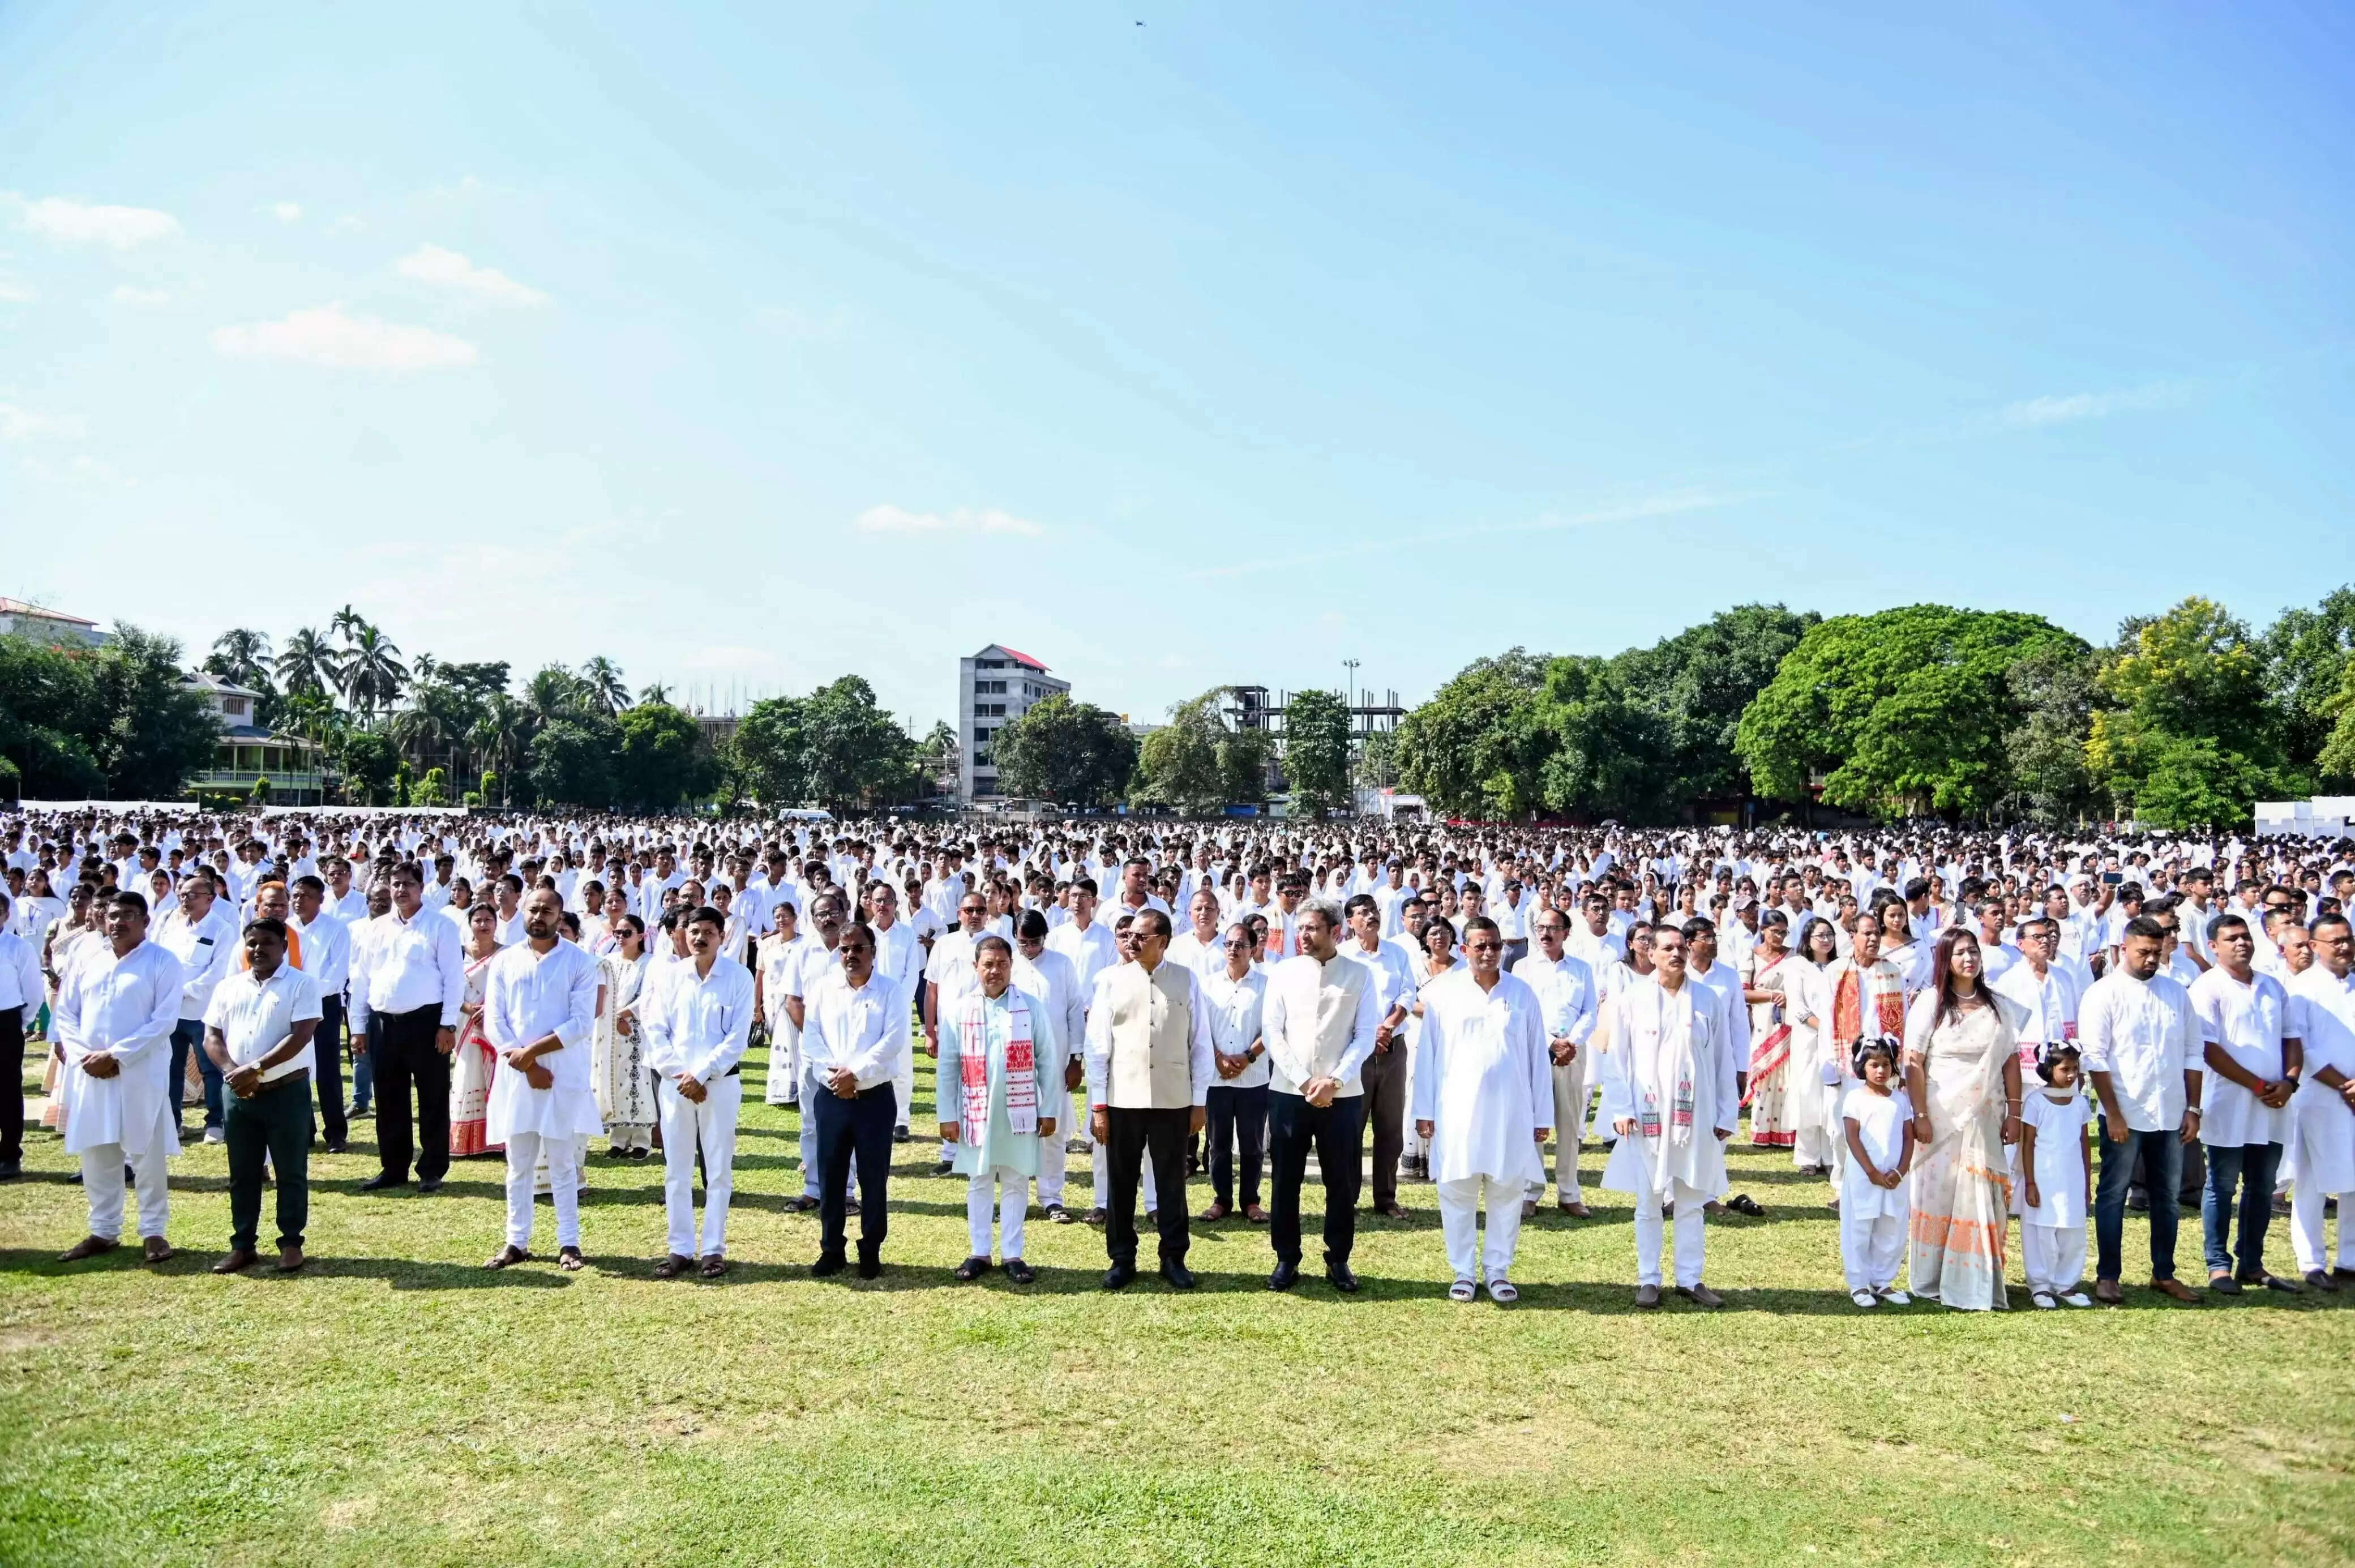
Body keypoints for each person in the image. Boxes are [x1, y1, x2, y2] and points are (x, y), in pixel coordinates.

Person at [1600, 922, 1737, 1308]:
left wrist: (1727, 1114)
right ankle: (1648, 1279)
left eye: (1681, 947)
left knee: (1692, 1201)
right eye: (1667, 948)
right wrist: (1622, 1109)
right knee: (1649, 1201)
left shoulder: (1708, 999)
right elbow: (1617, 1060)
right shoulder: (1630, 999)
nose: (1676, 954)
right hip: (1647, 1115)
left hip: (1698, 1114)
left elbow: (1723, 1060)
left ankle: (1691, 1279)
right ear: (1651, 953)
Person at [1415, 916, 1551, 1303]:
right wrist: (1424, 1110)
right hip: (1456, 1110)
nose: (1489, 953)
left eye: (1495, 945)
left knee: (1507, 1191)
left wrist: (1542, 1115)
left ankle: (1498, 1270)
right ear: (1465, 950)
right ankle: (1462, 1271)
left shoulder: (1522, 994)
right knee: (1457, 1190)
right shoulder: (1443, 994)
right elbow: (1429, 1057)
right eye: (1480, 946)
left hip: (1512, 1111)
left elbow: (1537, 1060)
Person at [1085, 908, 1213, 1289]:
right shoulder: (1110, 981)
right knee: (1121, 1184)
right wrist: (1098, 1106)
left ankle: (1173, 1257)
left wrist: (1200, 1100)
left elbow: (1201, 1045)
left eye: (1141, 936)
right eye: (1128, 936)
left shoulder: (1187, 981)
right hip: (1123, 1099)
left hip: (1173, 1101)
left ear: (1164, 941)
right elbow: (1097, 1049)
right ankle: (1122, 1259)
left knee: (1172, 1183)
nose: (1132, 942)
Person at [2080, 914, 2204, 1304]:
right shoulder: (2104, 993)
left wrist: (2194, 1108)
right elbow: (2095, 1059)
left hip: (2170, 1112)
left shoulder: (2175, 992)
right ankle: (2108, 1275)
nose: (2151, 959)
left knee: (2166, 1197)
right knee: (2113, 1194)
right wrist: (2113, 1113)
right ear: (2124, 949)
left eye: (2156, 951)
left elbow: (2192, 1052)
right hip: (2125, 1114)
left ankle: (2164, 1273)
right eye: (2143, 952)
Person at [55, 892, 184, 1264]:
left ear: (145, 921)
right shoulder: (86, 958)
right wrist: (86, 1057)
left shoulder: (163, 961)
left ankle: (154, 1231)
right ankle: (104, 1230)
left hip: (141, 1071)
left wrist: (116, 1055)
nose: (118, 922)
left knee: (146, 1152)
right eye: (113, 915)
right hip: (90, 1073)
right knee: (97, 1152)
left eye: (128, 915)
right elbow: (66, 1014)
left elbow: (164, 1022)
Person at [1902, 929, 2026, 1311]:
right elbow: (1913, 1061)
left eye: (1974, 951)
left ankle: (1977, 1277)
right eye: (1960, 953)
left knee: (1979, 1191)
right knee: (1942, 1190)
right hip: (1942, 1112)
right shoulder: (1931, 1002)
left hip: (1986, 1113)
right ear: (1945, 959)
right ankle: (1934, 1277)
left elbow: (2010, 1060)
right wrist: (1920, 1113)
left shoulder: (1998, 1006)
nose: (1969, 959)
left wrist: (2016, 1113)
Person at [1261, 899, 1381, 1292]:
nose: (1304, 936)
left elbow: (1365, 1036)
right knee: (1285, 1181)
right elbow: (1273, 1033)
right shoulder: (1283, 972)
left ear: (1336, 932)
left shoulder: (1359, 975)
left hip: (1343, 1096)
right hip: (1289, 1094)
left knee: (1342, 1183)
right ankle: (1286, 1258)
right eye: (1301, 928)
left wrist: (1336, 1081)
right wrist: (1303, 1082)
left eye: (1313, 928)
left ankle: (1339, 1259)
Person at [481, 888, 602, 1272]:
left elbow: (582, 1022)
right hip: (518, 1074)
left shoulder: (580, 961)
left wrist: (531, 1054)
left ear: (560, 915)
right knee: (519, 1163)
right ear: (523, 912)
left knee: (563, 1163)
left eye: (547, 911)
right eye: (533, 909)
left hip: (561, 1074)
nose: (539, 916)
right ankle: (517, 1241)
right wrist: (527, 1062)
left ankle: (569, 1242)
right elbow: (494, 1020)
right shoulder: (505, 961)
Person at [2189, 912, 2304, 1293]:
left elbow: (2291, 1038)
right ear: (2214, 946)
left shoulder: (2272, 986)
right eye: (2232, 938)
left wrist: (2289, 1081)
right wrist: (2257, 1085)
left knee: (2262, 1185)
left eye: (2246, 937)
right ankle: (2218, 1265)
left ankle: (2252, 1263)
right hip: (2229, 1101)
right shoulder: (2206, 988)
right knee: (2221, 1185)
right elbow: (2207, 1049)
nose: (2242, 943)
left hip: (2273, 1104)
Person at [202, 917, 320, 1274]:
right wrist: (233, 1074)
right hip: (238, 1093)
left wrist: (254, 1069)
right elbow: (212, 1037)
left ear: (284, 947)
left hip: (285, 1091)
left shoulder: (302, 984)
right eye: (252, 943)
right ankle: (243, 1245)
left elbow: (301, 1035)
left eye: (267, 942)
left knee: (290, 1170)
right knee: (243, 1171)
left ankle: (290, 1243)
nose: (258, 949)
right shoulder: (228, 987)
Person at [939, 935, 1060, 1284]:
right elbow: (949, 1065)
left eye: (1002, 964)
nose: (995, 971)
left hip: (1018, 1111)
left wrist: (1048, 1108)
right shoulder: (960, 1009)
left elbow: (1048, 1062)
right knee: (979, 1181)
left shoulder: (1031, 1007)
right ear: (976, 966)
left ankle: (1013, 1253)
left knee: (1015, 1179)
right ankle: (980, 1251)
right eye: (988, 964)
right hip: (975, 1112)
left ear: (1012, 966)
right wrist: (947, 1115)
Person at [643, 905, 755, 1279]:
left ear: (722, 936)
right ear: (682, 934)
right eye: (693, 931)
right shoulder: (670, 977)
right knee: (676, 1169)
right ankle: (679, 1248)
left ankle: (713, 1249)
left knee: (719, 1169)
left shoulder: (738, 977)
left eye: (708, 931)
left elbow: (737, 1038)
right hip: (677, 1087)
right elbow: (655, 1031)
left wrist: (702, 1075)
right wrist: (681, 1075)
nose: (699, 937)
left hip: (718, 1086)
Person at [801, 920, 909, 1278]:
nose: (851, 955)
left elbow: (892, 1040)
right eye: (845, 949)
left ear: (872, 951)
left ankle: (871, 1249)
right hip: (831, 1096)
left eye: (858, 948)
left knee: (873, 1177)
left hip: (874, 1099)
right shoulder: (823, 989)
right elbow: (812, 1036)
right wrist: (838, 1075)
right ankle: (832, 1248)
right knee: (830, 1176)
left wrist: (856, 1075)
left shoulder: (890, 991)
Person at [350, 863, 466, 1193]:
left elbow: (453, 979)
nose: (402, 890)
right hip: (384, 1022)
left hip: (427, 1023)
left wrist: (447, 1025)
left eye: (409, 884)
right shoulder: (375, 928)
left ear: (422, 886)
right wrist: (358, 1027)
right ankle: (394, 1167)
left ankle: (431, 1169)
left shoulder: (439, 926)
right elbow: (361, 979)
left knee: (431, 1098)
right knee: (388, 1099)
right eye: (396, 884)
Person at [1514, 907, 1599, 1219]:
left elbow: (1590, 1011)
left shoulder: (1581, 969)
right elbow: (1522, 1010)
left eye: (1553, 928)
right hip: (1534, 1051)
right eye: (1541, 928)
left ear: (1566, 932)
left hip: (1572, 1053)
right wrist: (1551, 1042)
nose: (1546, 934)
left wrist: (1571, 1043)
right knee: (1533, 1123)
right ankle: (1530, 1192)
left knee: (1569, 1124)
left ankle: (1569, 1192)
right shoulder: (1523, 967)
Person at [2287, 914, 2355, 1289]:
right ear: (2315, 946)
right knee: (2311, 1182)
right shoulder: (2302, 989)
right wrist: (2345, 1085)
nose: (2345, 947)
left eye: (2349, 939)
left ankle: (2350, 1258)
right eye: (2336, 941)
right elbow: (2302, 1046)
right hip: (2318, 1094)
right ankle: (2312, 1262)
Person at [1345, 893, 1417, 1220]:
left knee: (1389, 1127)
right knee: (1351, 1127)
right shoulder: (1343, 956)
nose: (1371, 916)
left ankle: (1386, 1198)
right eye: (1363, 912)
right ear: (1350, 922)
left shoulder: (1397, 954)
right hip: (1354, 1050)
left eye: (1373, 910)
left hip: (1392, 1048)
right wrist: (1369, 1032)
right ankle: (1347, 1197)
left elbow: (1407, 993)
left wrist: (1388, 1026)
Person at [153, 871, 237, 1143]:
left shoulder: (222, 929)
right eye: (182, 895)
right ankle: (173, 1122)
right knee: (170, 1067)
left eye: (192, 895)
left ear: (210, 899)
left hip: (204, 1011)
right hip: (172, 1011)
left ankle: (216, 1123)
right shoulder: (173, 926)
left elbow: (217, 972)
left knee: (211, 1068)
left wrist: (182, 992)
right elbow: (162, 962)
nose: (185, 900)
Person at [1195, 921, 1270, 1224]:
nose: (1234, 950)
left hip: (1254, 1077)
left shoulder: (1266, 985)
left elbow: (1274, 1028)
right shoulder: (1208, 984)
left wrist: (1248, 1055)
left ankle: (1251, 1201)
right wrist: (1218, 1058)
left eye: (1240, 945)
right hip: (1217, 1077)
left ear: (1253, 950)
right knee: (1218, 1143)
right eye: (1229, 944)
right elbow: (1199, 1028)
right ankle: (1222, 1199)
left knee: (1252, 1144)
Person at [1838, 1037, 1913, 1306]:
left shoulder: (1900, 1101)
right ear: (1862, 1067)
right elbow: (1853, 1137)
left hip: (1895, 1178)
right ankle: (1859, 1284)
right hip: (1864, 1176)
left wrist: (1901, 1170)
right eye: (1874, 1065)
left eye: (1886, 1065)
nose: (1881, 1071)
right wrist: (1871, 1171)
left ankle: (1883, 1280)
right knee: (1859, 1227)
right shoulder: (1855, 1099)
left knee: (1891, 1227)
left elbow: (1908, 1136)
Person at [2018, 1044, 2093, 1308]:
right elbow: (2027, 1145)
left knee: (2072, 1231)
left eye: (2075, 1069)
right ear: (2050, 1070)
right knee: (2042, 1232)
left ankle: (2065, 1284)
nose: (2071, 1075)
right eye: (2065, 1069)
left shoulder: (2080, 1103)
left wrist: (2087, 1184)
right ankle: (2040, 1285)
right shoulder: (2036, 1102)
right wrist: (2030, 1182)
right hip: (2043, 1179)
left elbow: (2084, 1144)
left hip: (2072, 1178)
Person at [287, 875, 352, 1153]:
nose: (299, 901)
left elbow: (337, 974)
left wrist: (306, 993)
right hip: (291, 1006)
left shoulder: (336, 929)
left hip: (323, 1005)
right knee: (296, 1068)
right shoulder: (285, 929)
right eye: (296, 896)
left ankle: (336, 1132)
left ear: (321, 900)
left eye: (307, 896)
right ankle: (305, 1129)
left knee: (327, 1071)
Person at [592, 914, 656, 1157]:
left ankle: (642, 1141)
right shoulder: (607, 961)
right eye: (617, 933)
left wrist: (623, 1015)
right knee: (613, 1080)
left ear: (641, 936)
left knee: (638, 1080)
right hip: (610, 1030)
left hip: (636, 1028)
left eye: (627, 933)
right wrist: (613, 1018)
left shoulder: (651, 963)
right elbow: (600, 994)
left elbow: (650, 996)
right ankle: (617, 1140)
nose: (620, 937)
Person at [449, 902, 503, 1159]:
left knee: (497, 1076)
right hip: (465, 1022)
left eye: (488, 920)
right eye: (478, 920)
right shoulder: (458, 955)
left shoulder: (506, 955)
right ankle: (467, 1141)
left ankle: (496, 1139)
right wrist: (469, 1008)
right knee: (468, 1074)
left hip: (496, 1023)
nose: (483, 925)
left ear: (496, 924)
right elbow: (448, 989)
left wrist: (491, 1010)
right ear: (470, 924)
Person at [0, 889, 43, 1179]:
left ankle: (10, 1154)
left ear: (5, 915)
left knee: (7, 1090)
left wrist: (21, 1022)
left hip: (5, 1021)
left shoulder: (17, 947)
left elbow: (33, 991)